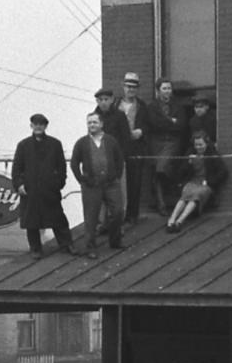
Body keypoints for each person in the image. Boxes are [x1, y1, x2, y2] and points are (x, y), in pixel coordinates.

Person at [11, 113, 74, 258]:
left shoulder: (55, 144)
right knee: (31, 222)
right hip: (30, 190)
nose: (38, 126)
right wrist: (19, 185)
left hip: (49, 190)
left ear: (46, 126)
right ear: (31, 126)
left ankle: (67, 244)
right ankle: (35, 249)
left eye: (41, 124)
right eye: (35, 124)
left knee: (58, 218)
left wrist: (58, 184)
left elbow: (61, 167)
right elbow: (16, 169)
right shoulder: (23, 145)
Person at [70, 111, 125, 257]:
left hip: (111, 184)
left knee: (118, 211)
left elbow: (119, 160)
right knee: (91, 217)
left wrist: (116, 177)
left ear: (101, 124)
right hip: (91, 185)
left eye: (94, 122)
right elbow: (74, 163)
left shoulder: (111, 140)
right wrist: (82, 180)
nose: (92, 125)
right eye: (89, 122)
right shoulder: (81, 143)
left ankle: (115, 241)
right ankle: (91, 247)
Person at [164, 131, 228, 233]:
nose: (198, 147)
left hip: (205, 184)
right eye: (196, 145)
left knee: (196, 196)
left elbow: (223, 172)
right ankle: (171, 219)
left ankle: (180, 221)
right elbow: (181, 172)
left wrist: (210, 182)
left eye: (201, 144)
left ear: (206, 144)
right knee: (185, 195)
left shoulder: (212, 155)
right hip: (193, 182)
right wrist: (188, 163)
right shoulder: (190, 154)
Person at [144, 76, 188, 216]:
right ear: (158, 91)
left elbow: (181, 125)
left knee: (161, 168)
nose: (167, 91)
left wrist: (166, 122)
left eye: (169, 88)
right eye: (164, 88)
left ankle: (170, 191)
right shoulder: (152, 107)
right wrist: (171, 121)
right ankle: (161, 203)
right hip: (156, 143)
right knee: (157, 172)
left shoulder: (178, 107)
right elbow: (154, 124)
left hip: (172, 142)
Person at [116, 72, 152, 225]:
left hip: (135, 147)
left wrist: (141, 131)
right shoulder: (115, 104)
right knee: (117, 181)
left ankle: (132, 215)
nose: (130, 90)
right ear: (123, 87)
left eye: (134, 87)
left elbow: (149, 124)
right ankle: (117, 215)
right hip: (117, 147)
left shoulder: (142, 106)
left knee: (134, 181)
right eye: (128, 86)